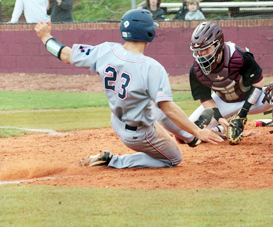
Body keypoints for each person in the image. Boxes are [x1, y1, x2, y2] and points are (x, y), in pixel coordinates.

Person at [34, 9, 223, 169]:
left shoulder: (105, 50)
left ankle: (189, 137)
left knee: (155, 105)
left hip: (117, 121)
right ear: (148, 33)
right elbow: (169, 109)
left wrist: (45, 37)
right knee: (174, 158)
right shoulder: (151, 67)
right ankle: (114, 161)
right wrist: (200, 131)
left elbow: (65, 54)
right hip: (140, 134)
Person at [187, 22, 273, 149]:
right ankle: (220, 130)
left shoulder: (239, 56)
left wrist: (242, 114)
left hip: (251, 99)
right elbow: (205, 98)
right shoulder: (195, 69)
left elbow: (258, 83)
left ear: (218, 45)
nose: (202, 54)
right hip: (223, 102)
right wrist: (219, 118)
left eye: (206, 49)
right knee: (185, 135)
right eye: (199, 51)